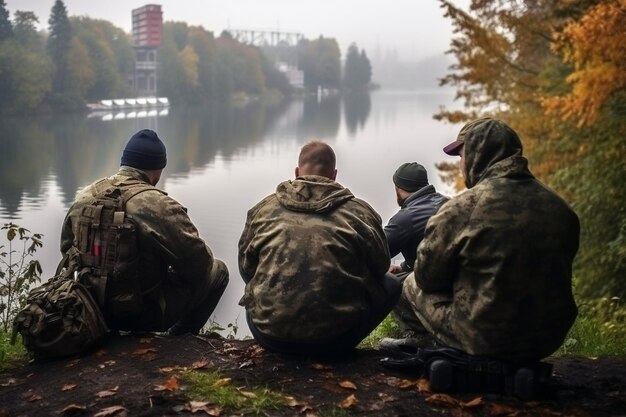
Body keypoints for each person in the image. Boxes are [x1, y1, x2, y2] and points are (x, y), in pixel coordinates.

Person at [390, 117, 579, 361]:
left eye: (460, 157)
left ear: (476, 155)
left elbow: (428, 278)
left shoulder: (462, 209)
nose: (460, 165)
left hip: (484, 337)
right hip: (548, 338)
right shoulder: (560, 208)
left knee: (409, 283)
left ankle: (427, 341)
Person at [238, 141, 402, 357]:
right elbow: (381, 267)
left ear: (297, 172)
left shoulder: (263, 209)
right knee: (392, 283)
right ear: (334, 175)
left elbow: (246, 269)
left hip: (269, 335)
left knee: (255, 291)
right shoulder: (360, 213)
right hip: (335, 340)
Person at [60, 129, 229, 335]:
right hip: (139, 316)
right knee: (218, 271)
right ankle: (180, 338)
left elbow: (67, 249)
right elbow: (199, 265)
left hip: (88, 308)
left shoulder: (85, 195)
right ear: (158, 170)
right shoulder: (158, 204)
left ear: (124, 163)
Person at [385, 162, 448, 278]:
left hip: (430, 285)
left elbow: (374, 251)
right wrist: (403, 267)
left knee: (385, 285)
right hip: (454, 276)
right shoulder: (447, 202)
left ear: (398, 188)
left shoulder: (405, 218)